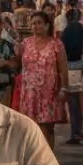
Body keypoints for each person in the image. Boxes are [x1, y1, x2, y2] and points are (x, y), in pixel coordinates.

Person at [18, 11, 69, 151]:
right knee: (31, 128)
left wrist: (64, 88)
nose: (36, 26)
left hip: (50, 93)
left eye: (39, 23)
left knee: (47, 128)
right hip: (30, 93)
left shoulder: (56, 44)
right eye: (33, 23)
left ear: (47, 26)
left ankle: (48, 159)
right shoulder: (25, 43)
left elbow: (63, 68)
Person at [60, 9, 83, 144]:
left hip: (69, 67)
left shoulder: (66, 31)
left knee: (73, 104)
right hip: (81, 66)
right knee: (82, 103)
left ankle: (75, 132)